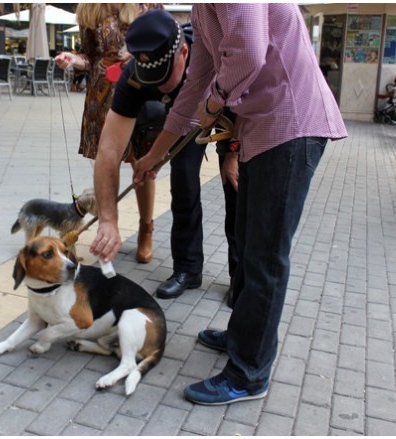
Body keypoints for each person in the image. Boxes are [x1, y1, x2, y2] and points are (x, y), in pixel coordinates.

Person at [132, 3, 347, 405]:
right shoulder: (202, 10)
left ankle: (249, 373)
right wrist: (153, 158)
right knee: (248, 248)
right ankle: (241, 336)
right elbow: (193, 90)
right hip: (264, 130)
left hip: (290, 126)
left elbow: (247, 52)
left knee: (265, 258)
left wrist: (213, 105)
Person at [88, 10, 239, 304]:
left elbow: (247, 105)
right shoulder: (134, 75)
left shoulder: (213, 55)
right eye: (150, 79)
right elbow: (108, 149)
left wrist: (233, 153)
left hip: (233, 116)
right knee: (183, 184)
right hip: (182, 123)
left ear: (183, 53)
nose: (157, 87)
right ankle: (187, 269)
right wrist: (107, 218)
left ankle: (239, 275)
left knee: (235, 189)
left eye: (164, 78)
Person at [55, 4, 161, 264]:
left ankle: (146, 229)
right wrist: (73, 59)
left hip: (139, 87)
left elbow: (160, 44)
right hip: (103, 93)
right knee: (106, 161)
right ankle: (107, 230)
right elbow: (89, 56)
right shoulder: (89, 8)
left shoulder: (146, 5)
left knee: (142, 162)